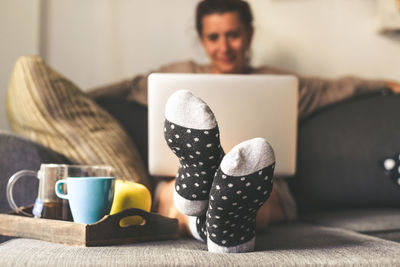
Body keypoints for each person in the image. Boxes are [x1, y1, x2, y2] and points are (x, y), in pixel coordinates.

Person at [88, 0, 400, 252]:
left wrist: (385, 84)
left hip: (263, 185)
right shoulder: (177, 74)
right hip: (174, 181)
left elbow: (338, 87)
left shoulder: (279, 82)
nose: (224, 46)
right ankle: (216, 218)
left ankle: (211, 211)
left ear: (249, 35)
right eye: (214, 37)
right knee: (171, 193)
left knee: (259, 192)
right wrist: (80, 96)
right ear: (201, 39)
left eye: (233, 34)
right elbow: (125, 88)